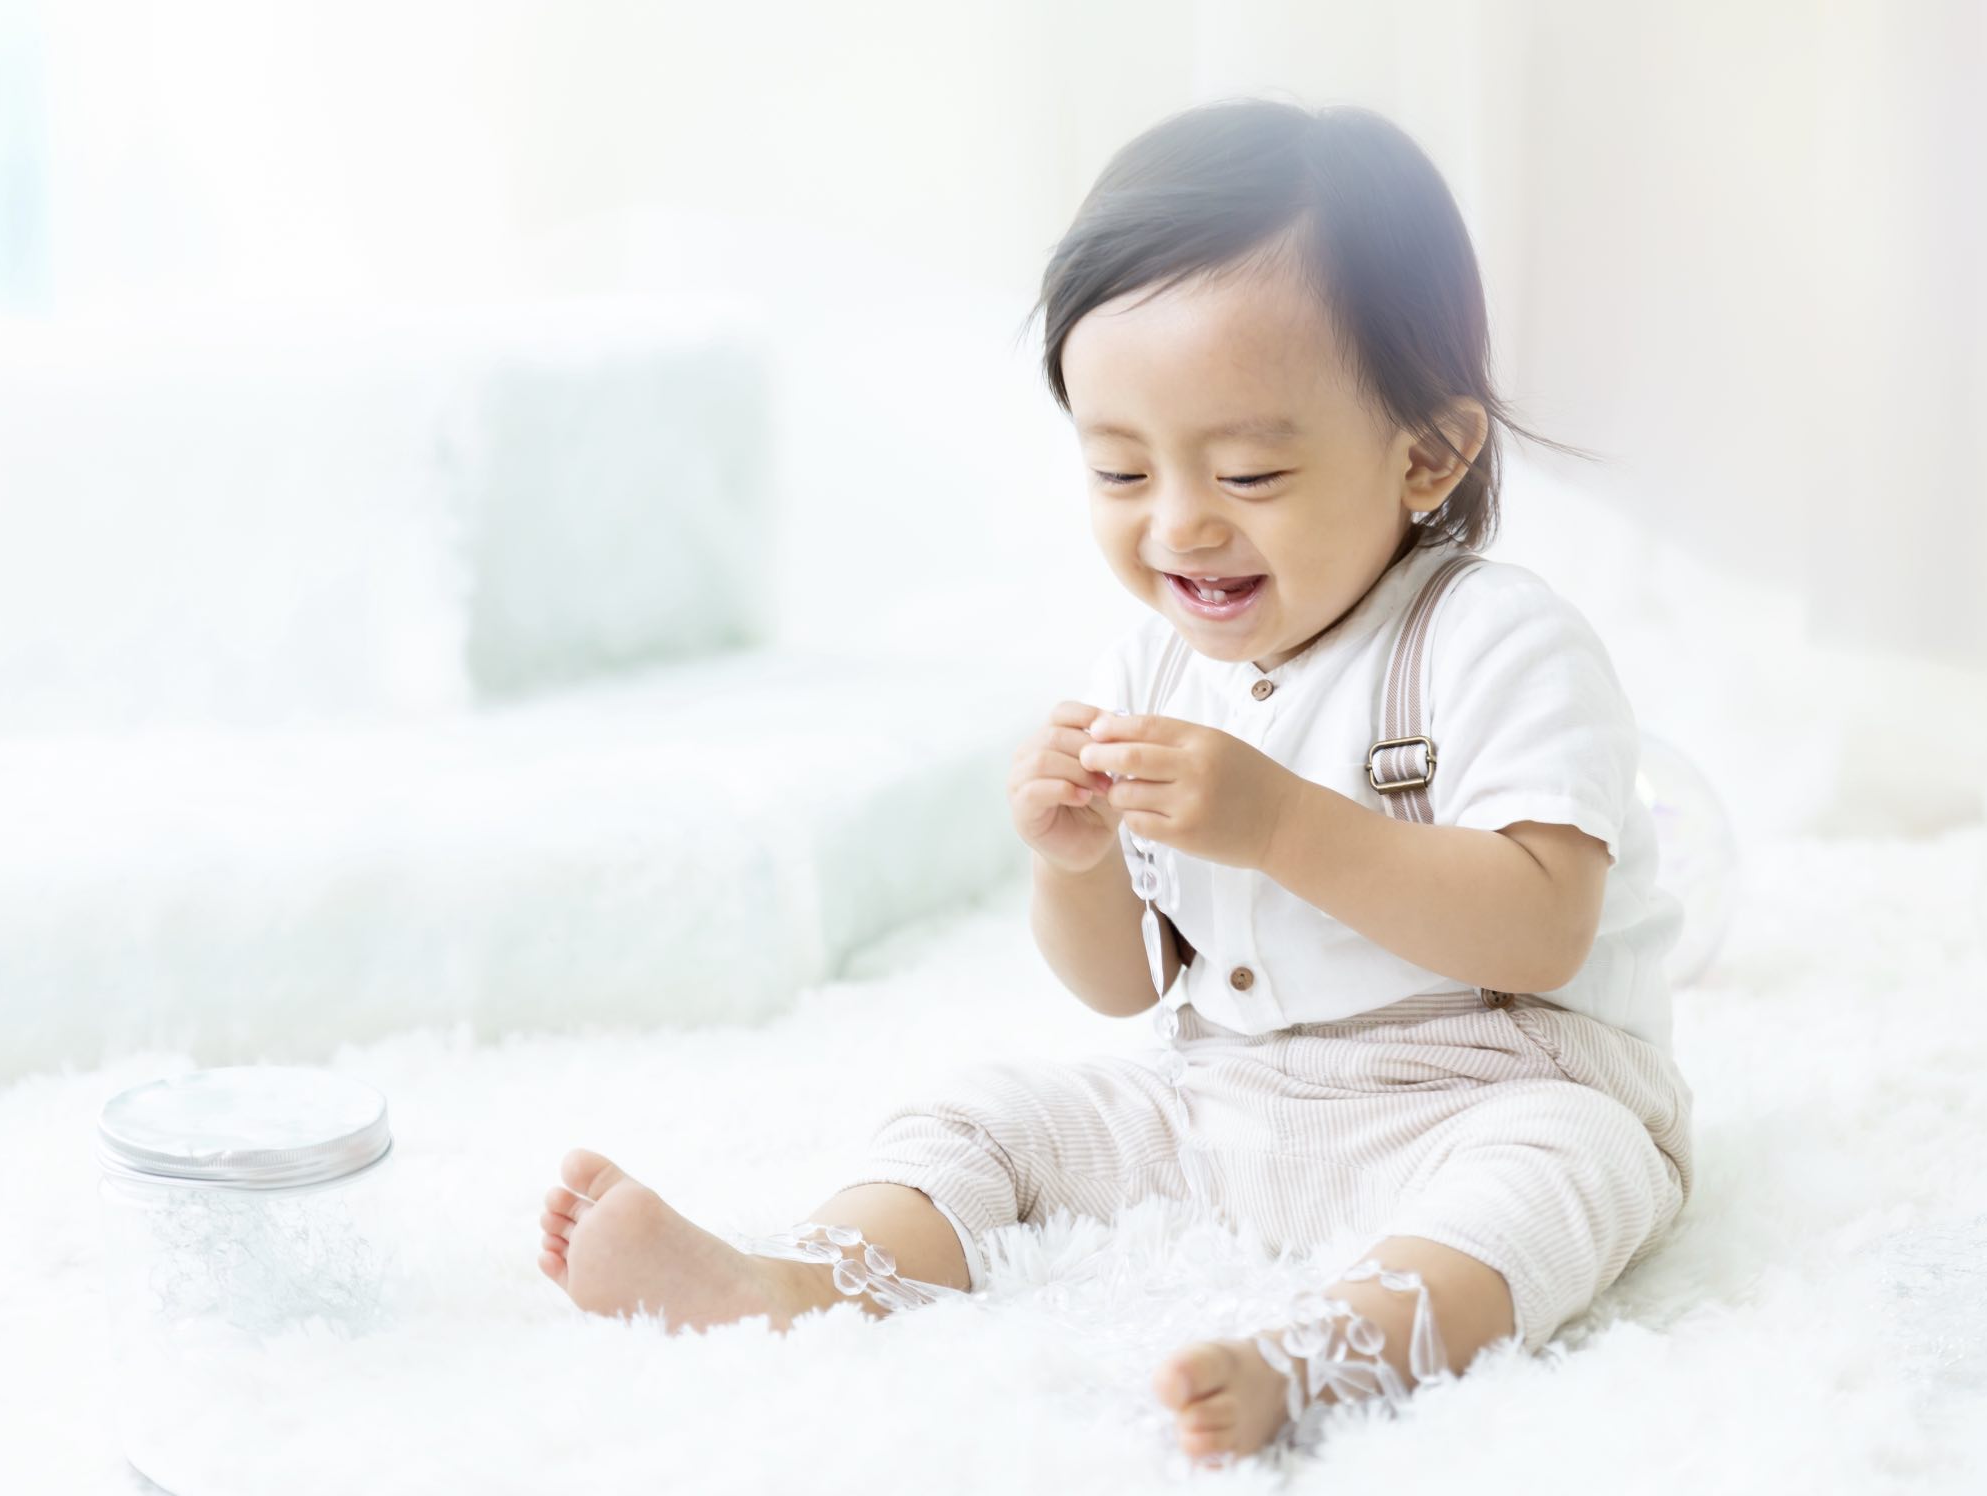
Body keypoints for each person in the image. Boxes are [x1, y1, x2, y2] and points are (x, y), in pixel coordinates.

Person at [536, 97, 1694, 1468]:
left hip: (1488, 1092)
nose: (1180, 523)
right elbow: (1126, 991)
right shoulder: (1153, 667)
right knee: (993, 1114)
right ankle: (802, 1281)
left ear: (1427, 454)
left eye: (1250, 471)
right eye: (1120, 469)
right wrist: (1071, 862)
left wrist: (1277, 822)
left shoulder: (1497, 640)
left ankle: (1332, 1352)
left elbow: (1539, 926)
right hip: (1228, 1098)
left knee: (1564, 1178)